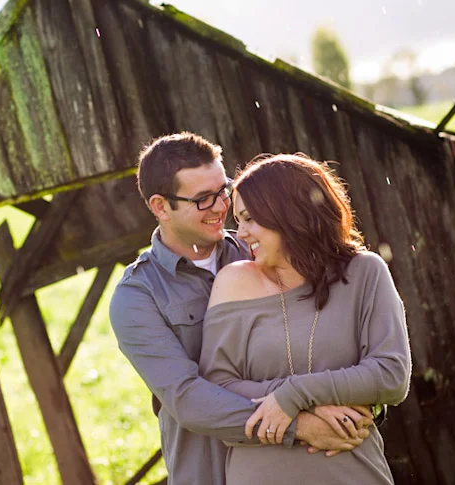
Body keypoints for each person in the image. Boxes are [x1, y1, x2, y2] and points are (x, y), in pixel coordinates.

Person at [110, 134, 375, 485]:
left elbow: (326, 342)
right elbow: (188, 398)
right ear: (160, 207)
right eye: (203, 199)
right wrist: (300, 423)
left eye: (224, 190)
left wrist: (352, 401)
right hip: (209, 473)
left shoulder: (264, 247)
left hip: (298, 470)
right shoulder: (137, 296)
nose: (221, 207)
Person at [199, 153, 412, 484]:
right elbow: (217, 387)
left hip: (352, 474)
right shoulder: (234, 282)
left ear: (288, 212)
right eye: (238, 220)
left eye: (249, 218)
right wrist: (307, 413)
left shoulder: (364, 272)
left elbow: (391, 375)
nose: (241, 233)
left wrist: (296, 395)